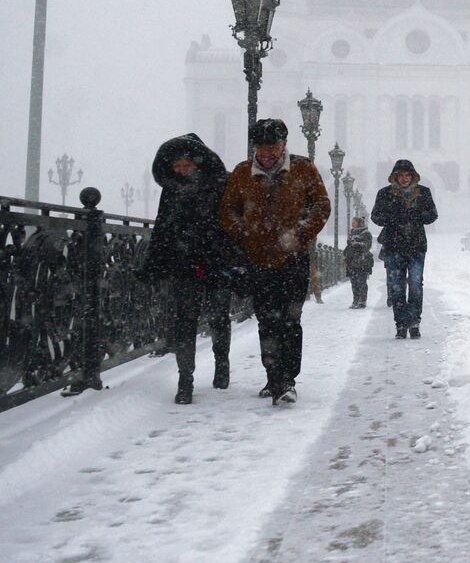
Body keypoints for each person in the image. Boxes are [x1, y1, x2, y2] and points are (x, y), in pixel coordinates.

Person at [218, 119, 330, 406]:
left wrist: (300, 232)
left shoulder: (302, 169)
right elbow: (228, 209)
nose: (267, 154)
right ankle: (274, 377)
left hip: (293, 258)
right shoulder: (243, 173)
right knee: (267, 319)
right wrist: (244, 233)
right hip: (259, 259)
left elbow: (321, 204)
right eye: (262, 148)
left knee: (291, 319)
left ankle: (287, 378)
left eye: (273, 148)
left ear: (284, 146)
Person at [137, 134, 236, 404]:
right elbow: (163, 227)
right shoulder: (171, 189)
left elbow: (232, 223)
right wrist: (153, 263)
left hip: (216, 262)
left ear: (198, 164)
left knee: (218, 316)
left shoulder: (221, 184)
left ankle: (222, 363)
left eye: (186, 165)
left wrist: (232, 259)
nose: (181, 170)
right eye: (177, 166)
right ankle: (185, 379)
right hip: (184, 264)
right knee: (185, 321)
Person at [371, 160, 437, 338]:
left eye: (408, 175)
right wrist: (394, 217)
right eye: (401, 175)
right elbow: (375, 216)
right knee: (397, 287)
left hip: (416, 246)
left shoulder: (423, 192)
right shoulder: (384, 194)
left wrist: (416, 216)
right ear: (395, 176)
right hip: (394, 246)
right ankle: (401, 324)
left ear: (413, 176)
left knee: (416, 285)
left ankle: (414, 322)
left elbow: (432, 215)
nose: (405, 178)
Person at [343, 216, 375, 309]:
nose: (352, 223)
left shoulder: (366, 233)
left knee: (361, 281)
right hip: (352, 261)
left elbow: (367, 246)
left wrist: (357, 244)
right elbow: (349, 246)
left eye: (354, 222)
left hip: (362, 261)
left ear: (359, 223)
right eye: (352, 222)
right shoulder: (352, 233)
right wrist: (345, 254)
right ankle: (355, 300)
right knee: (354, 282)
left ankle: (362, 301)